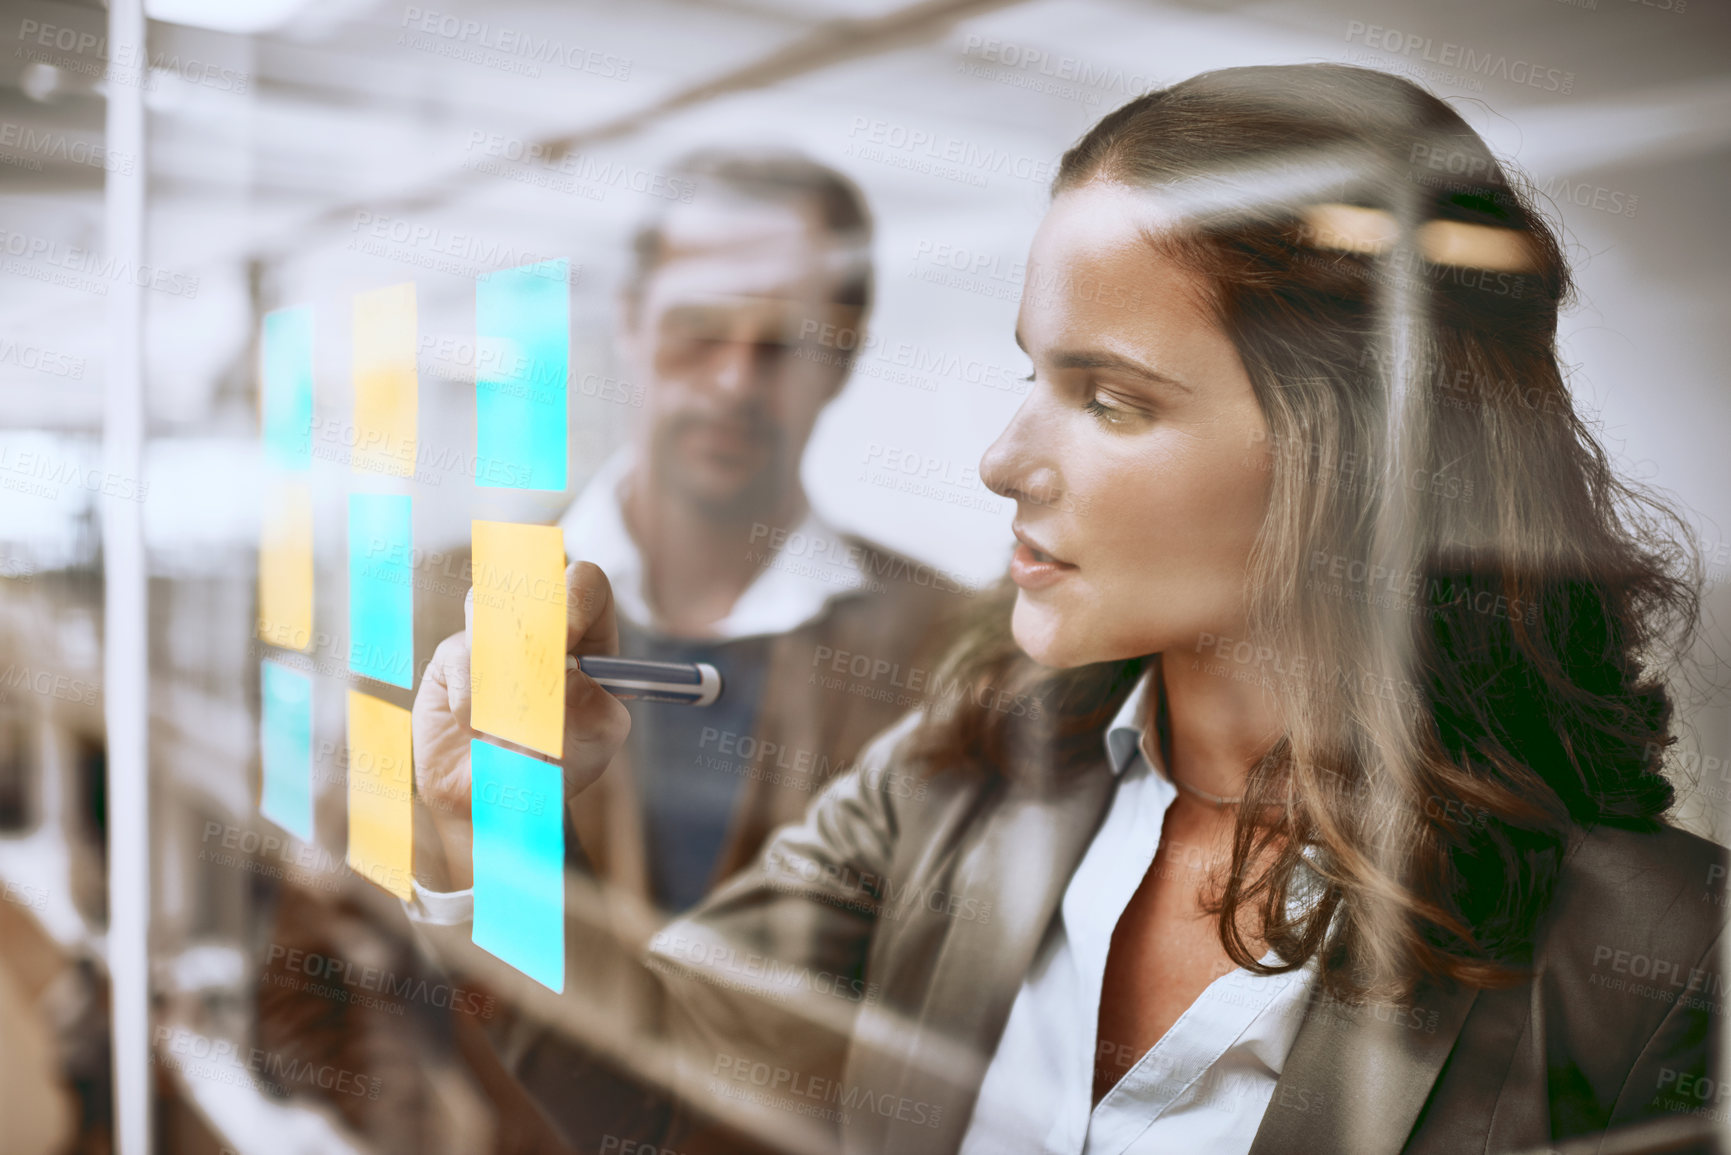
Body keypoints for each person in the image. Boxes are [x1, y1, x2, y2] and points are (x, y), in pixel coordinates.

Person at [413, 64, 1727, 1154]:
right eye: (1032, 372)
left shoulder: (1659, 960)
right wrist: (502, 828)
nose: (1001, 457)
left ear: (1361, 461)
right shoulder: (947, 776)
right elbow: (655, 1082)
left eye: (1108, 398)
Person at [406, 148, 961, 1147]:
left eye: (784, 344)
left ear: (846, 352)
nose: (735, 382)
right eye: (698, 333)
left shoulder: (946, 646)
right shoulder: (443, 603)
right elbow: (324, 940)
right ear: (630, 322)